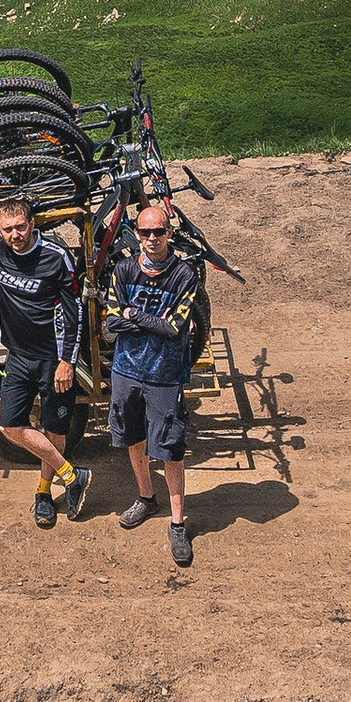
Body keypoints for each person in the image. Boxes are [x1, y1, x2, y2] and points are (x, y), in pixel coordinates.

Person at [0, 196, 91, 524]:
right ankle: (72, 475)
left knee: (54, 429)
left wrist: (67, 362)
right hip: (17, 355)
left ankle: (44, 493)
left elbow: (75, 314)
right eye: (8, 229)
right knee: (8, 425)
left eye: (21, 227)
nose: (15, 235)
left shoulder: (55, 257)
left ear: (33, 224)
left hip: (52, 358)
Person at [101, 193, 210, 567]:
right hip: (126, 371)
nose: (152, 238)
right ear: (136, 233)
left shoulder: (184, 275)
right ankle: (146, 498)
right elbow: (110, 324)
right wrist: (139, 319)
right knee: (133, 437)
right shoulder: (124, 271)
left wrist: (134, 315)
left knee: (171, 448)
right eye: (145, 232)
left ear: (168, 233)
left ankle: (178, 522)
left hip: (165, 375)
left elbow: (173, 327)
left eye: (159, 231)